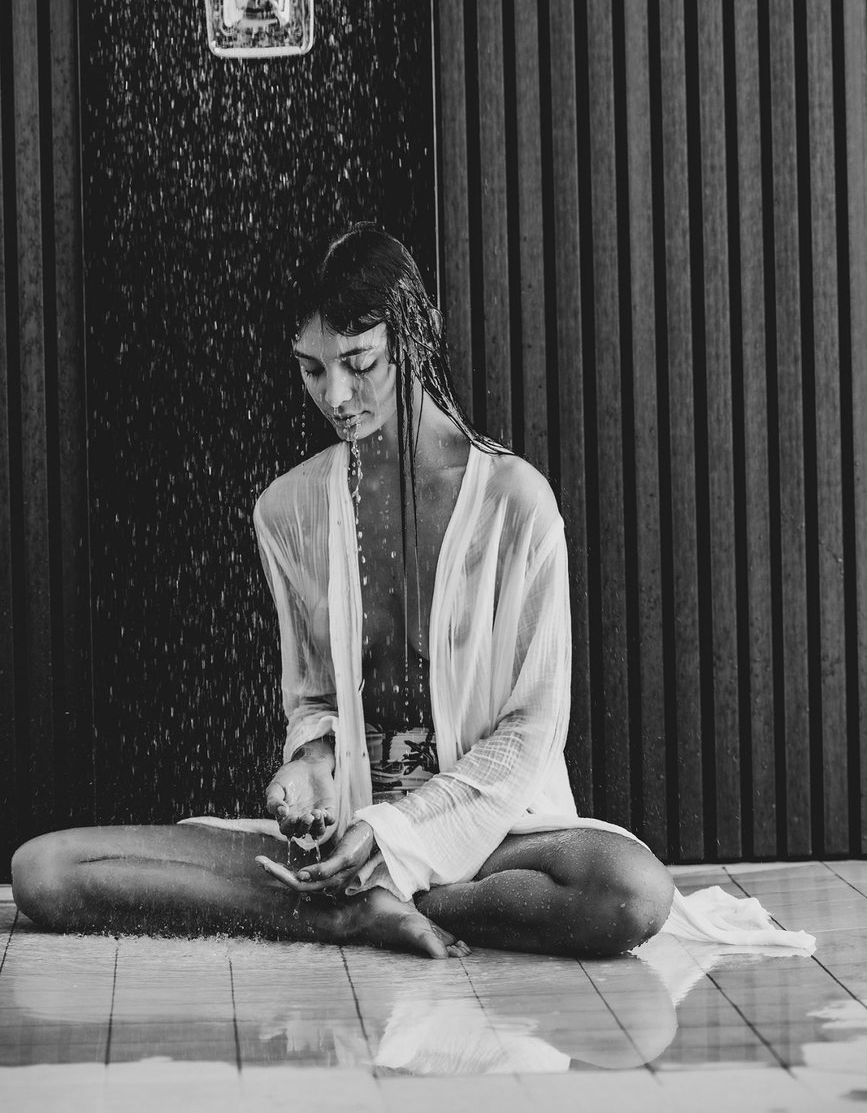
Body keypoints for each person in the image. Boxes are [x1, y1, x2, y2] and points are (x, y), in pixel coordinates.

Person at [10, 225, 811, 961]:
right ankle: (345, 907)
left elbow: (530, 729)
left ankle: (374, 902)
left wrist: (394, 837)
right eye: (311, 368)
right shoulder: (286, 510)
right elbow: (315, 699)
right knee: (45, 871)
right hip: (341, 837)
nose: (334, 396)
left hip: (489, 833)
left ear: (413, 338)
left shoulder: (515, 505)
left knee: (629, 891)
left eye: (358, 362)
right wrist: (312, 768)